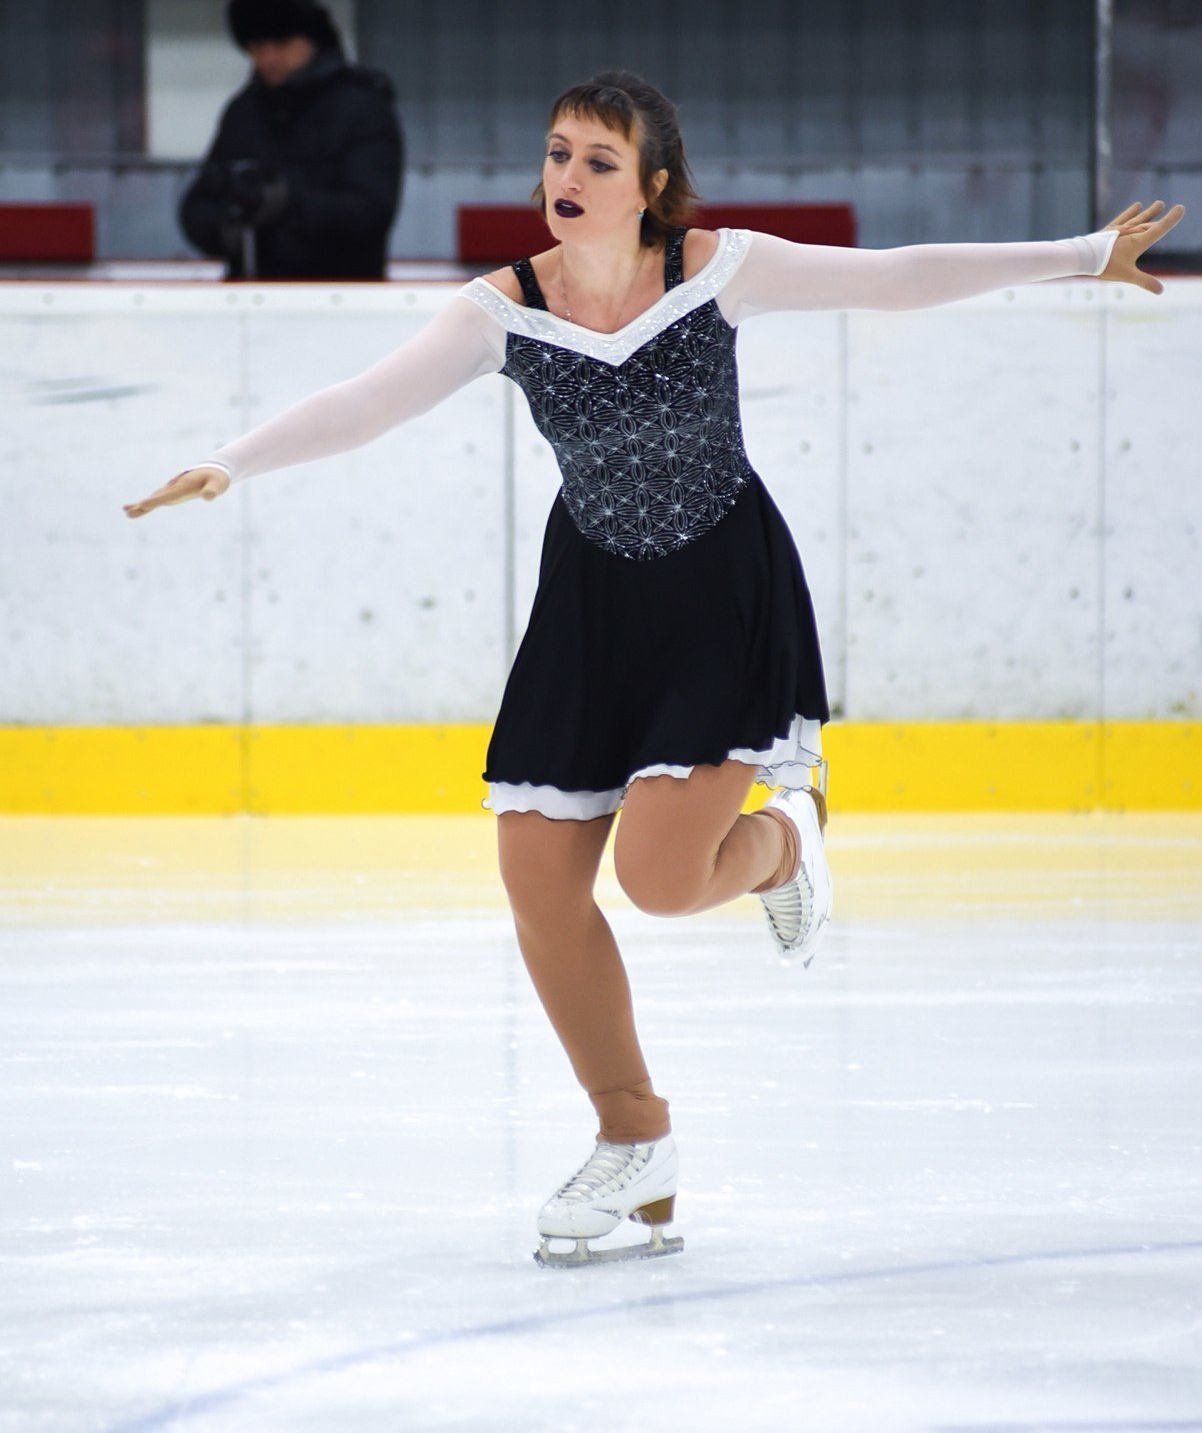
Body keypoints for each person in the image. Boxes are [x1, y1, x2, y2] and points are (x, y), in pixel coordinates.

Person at [126, 70, 1182, 1268]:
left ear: (652, 188)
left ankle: (789, 838)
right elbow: (367, 403)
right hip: (591, 607)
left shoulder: (715, 271)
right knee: (534, 874)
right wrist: (232, 461)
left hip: (718, 593)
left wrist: (1079, 254)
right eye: (556, 154)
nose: (564, 181)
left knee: (664, 883)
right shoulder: (503, 308)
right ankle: (633, 1141)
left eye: (596, 163)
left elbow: (896, 275)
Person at [179, 0, 403, 281]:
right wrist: (228, 227)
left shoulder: (361, 107)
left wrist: (288, 204)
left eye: (281, 43)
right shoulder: (245, 110)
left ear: (312, 40)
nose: (268, 57)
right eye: (256, 46)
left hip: (342, 298)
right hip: (250, 295)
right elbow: (198, 206)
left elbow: (370, 212)